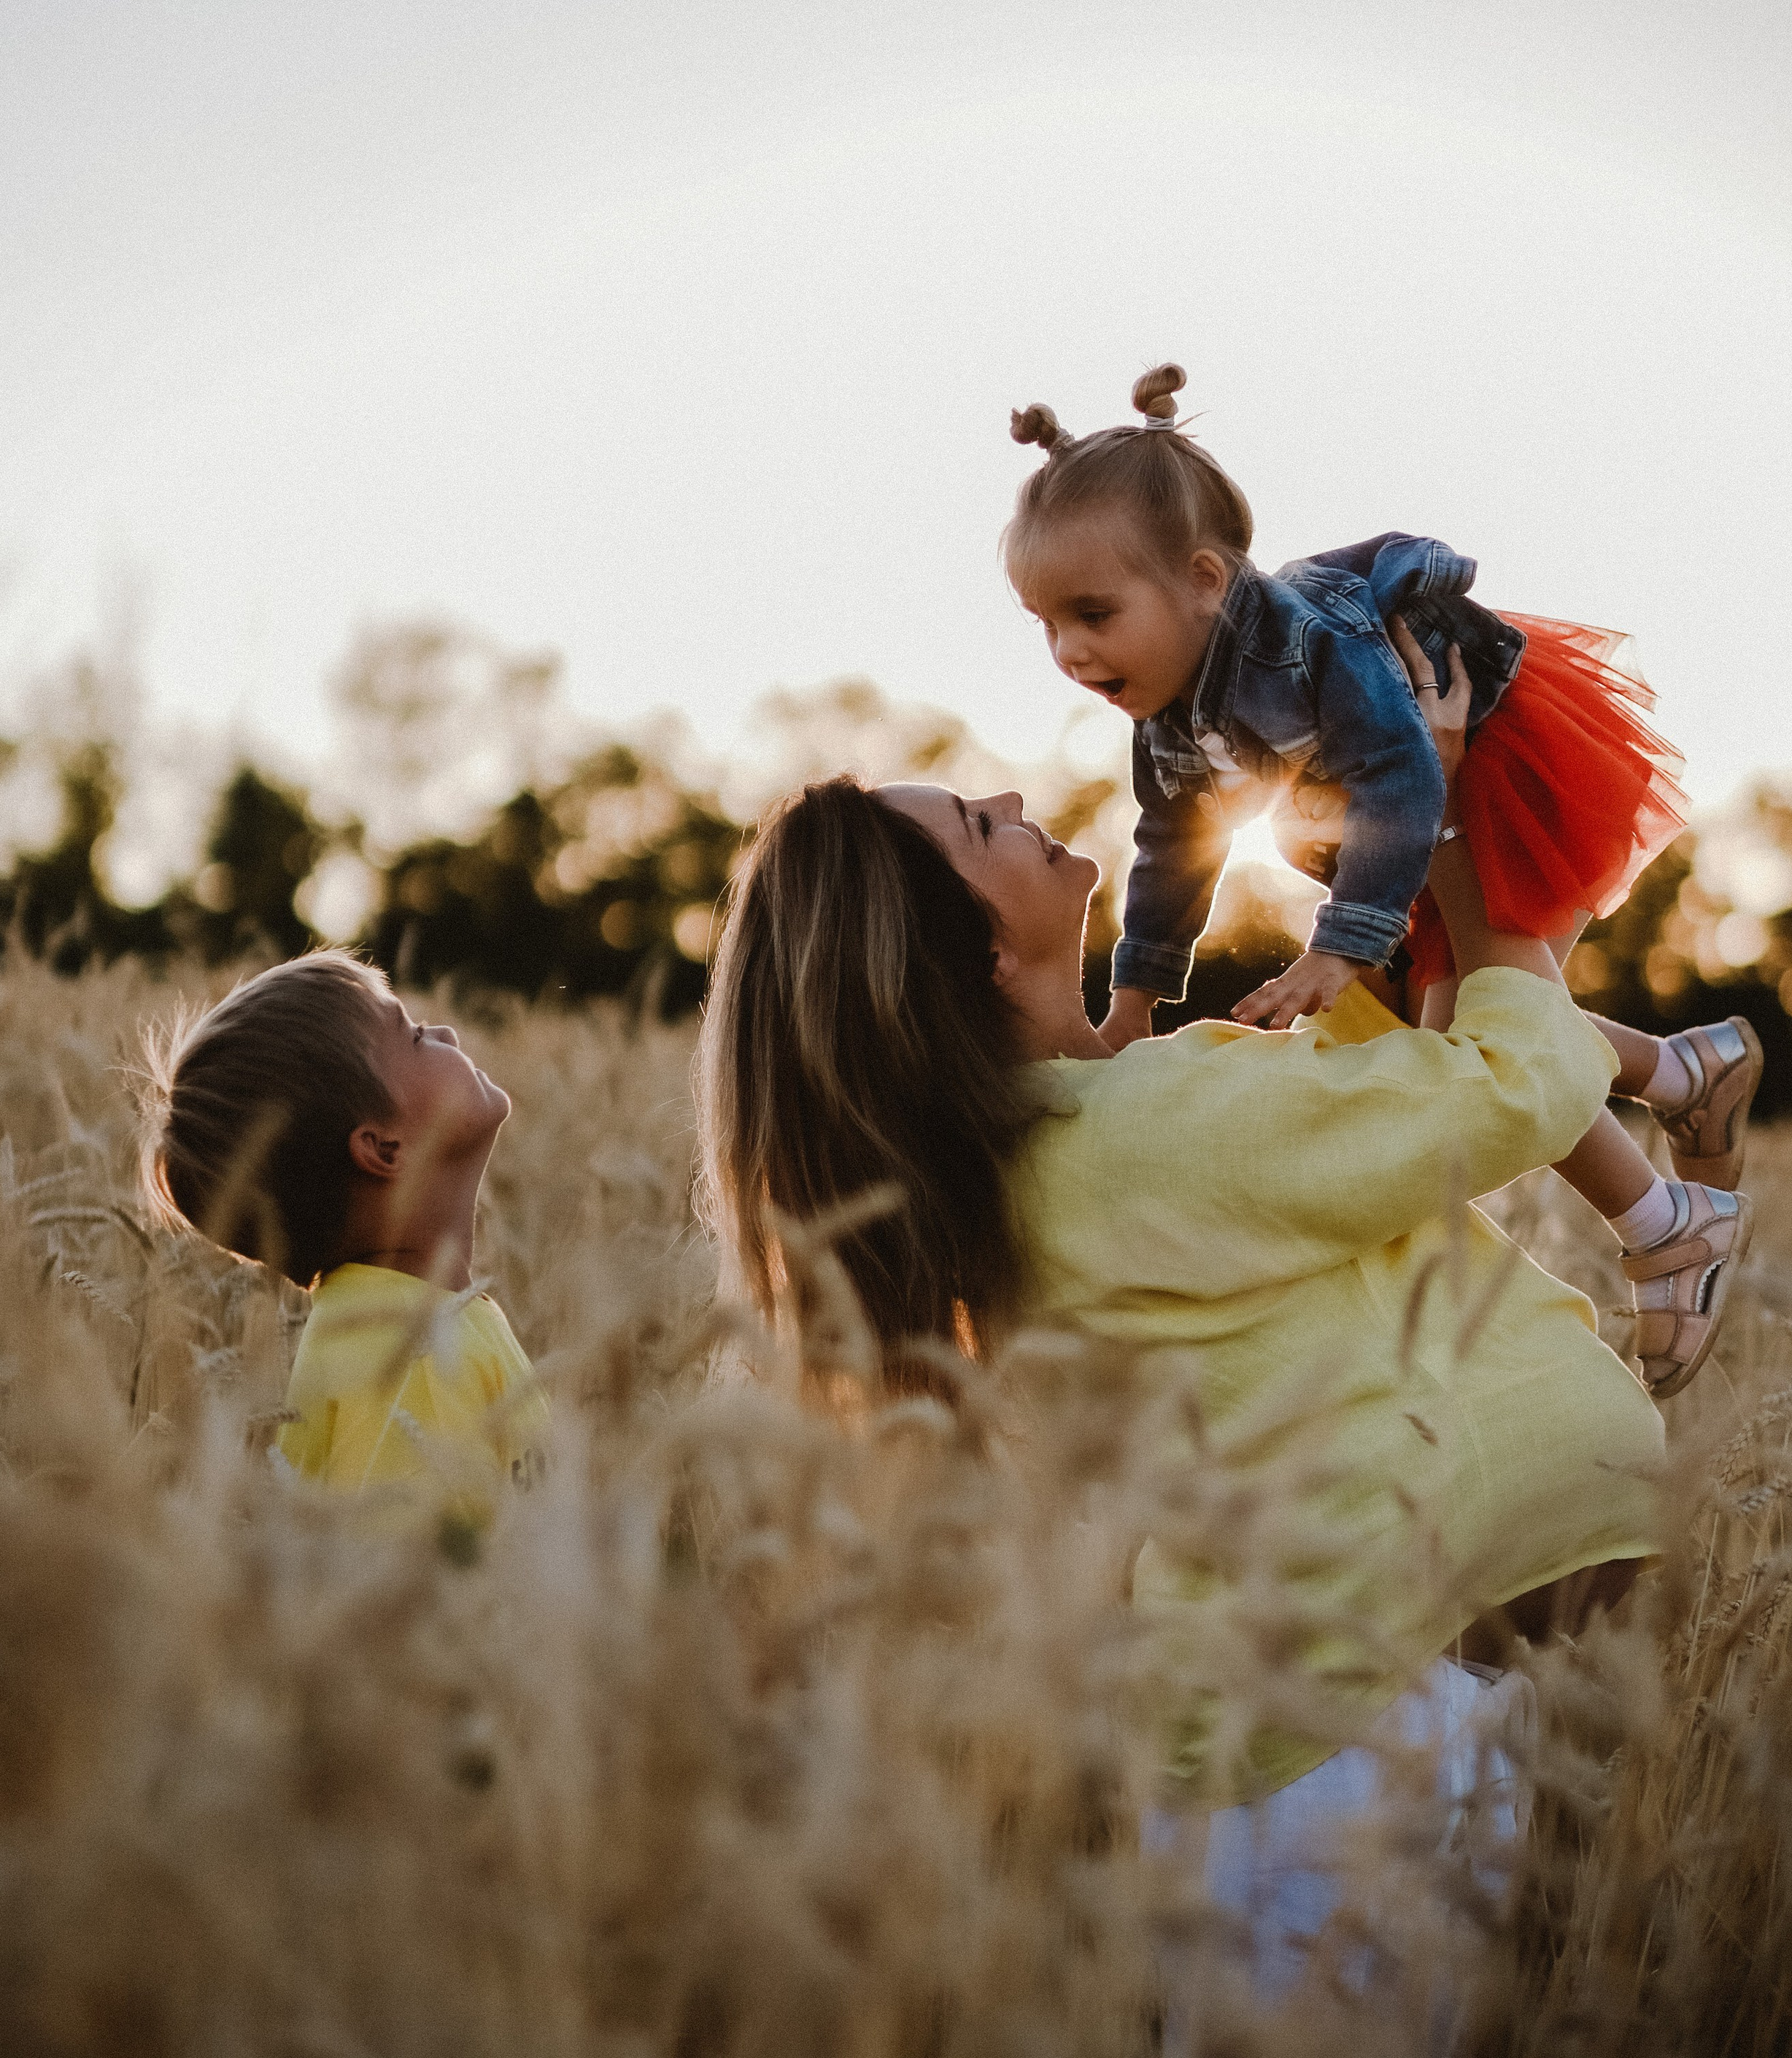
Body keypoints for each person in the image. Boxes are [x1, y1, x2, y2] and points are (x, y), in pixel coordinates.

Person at [695, 638, 1668, 1814]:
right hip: (1362, 1755)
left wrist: (1402, 844)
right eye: (974, 824)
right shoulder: (1126, 1140)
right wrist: (1453, 824)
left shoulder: (1079, 1140)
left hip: (1339, 1727)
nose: (1008, 798)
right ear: (983, 954)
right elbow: (1512, 1083)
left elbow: (1371, 1089)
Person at [1000, 362, 1758, 1398]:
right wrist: (1132, 1003)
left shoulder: (1310, 644)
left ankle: (1671, 1223)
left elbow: (1406, 774)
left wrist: (1340, 944)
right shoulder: (1166, 716)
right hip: (1396, 816)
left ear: (1205, 581)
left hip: (1485, 762)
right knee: (1456, 1026)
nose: (1069, 652)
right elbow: (1177, 846)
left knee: (1478, 1023)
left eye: (1092, 613)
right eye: (1045, 625)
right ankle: (1685, 1077)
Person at [142, 951, 543, 1517]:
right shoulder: (414, 1360)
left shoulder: (408, 1328)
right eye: (418, 1037)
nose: (449, 1032)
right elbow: (416, 1588)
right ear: (383, 1148)